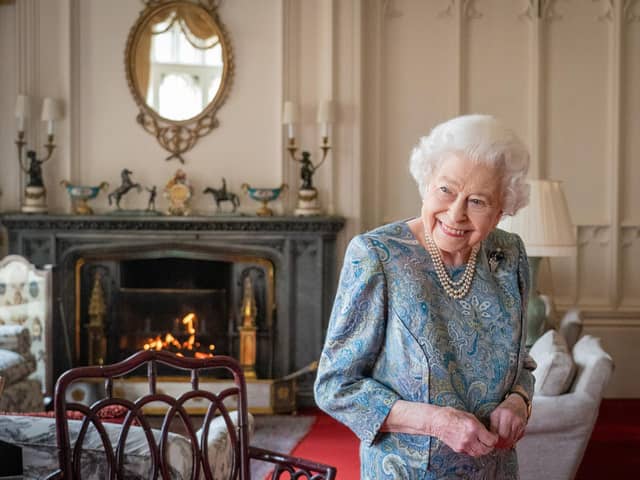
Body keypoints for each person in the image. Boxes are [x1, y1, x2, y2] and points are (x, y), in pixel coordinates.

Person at [314, 114, 536, 479]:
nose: (456, 213)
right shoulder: (378, 256)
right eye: (446, 190)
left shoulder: (508, 255)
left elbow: (521, 362)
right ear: (426, 183)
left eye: (478, 201)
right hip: (407, 471)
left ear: (501, 210)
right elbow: (335, 387)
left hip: (495, 471)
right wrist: (436, 421)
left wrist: (518, 401)